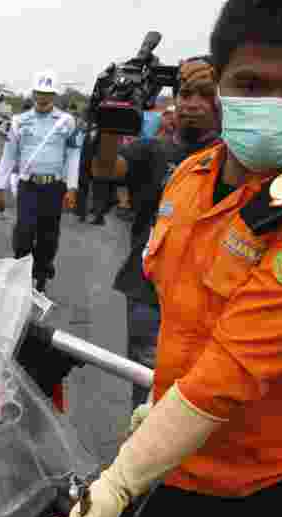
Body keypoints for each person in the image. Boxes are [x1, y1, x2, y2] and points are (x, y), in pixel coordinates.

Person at [51, 2, 282, 517]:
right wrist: (161, 407)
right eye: (252, 84)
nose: (274, 105)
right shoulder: (190, 178)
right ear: (220, 80)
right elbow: (187, 314)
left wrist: (120, 481)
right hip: (187, 465)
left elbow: (233, 370)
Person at [93, 57, 220, 410]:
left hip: (209, 293)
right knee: (147, 384)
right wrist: (111, 117)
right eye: (186, 94)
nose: (193, 104)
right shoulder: (152, 150)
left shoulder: (233, 159)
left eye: (205, 96)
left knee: (199, 390)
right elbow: (105, 168)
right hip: (147, 290)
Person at [0, 70, 82, 293]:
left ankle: (41, 274)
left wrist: (72, 187)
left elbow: (73, 156)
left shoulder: (67, 122)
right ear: (33, 94)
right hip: (28, 185)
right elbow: (9, 156)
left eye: (48, 94)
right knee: (24, 232)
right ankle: (23, 272)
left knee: (48, 236)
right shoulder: (19, 121)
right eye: (40, 93)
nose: (43, 98)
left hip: (54, 187)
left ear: (54, 96)